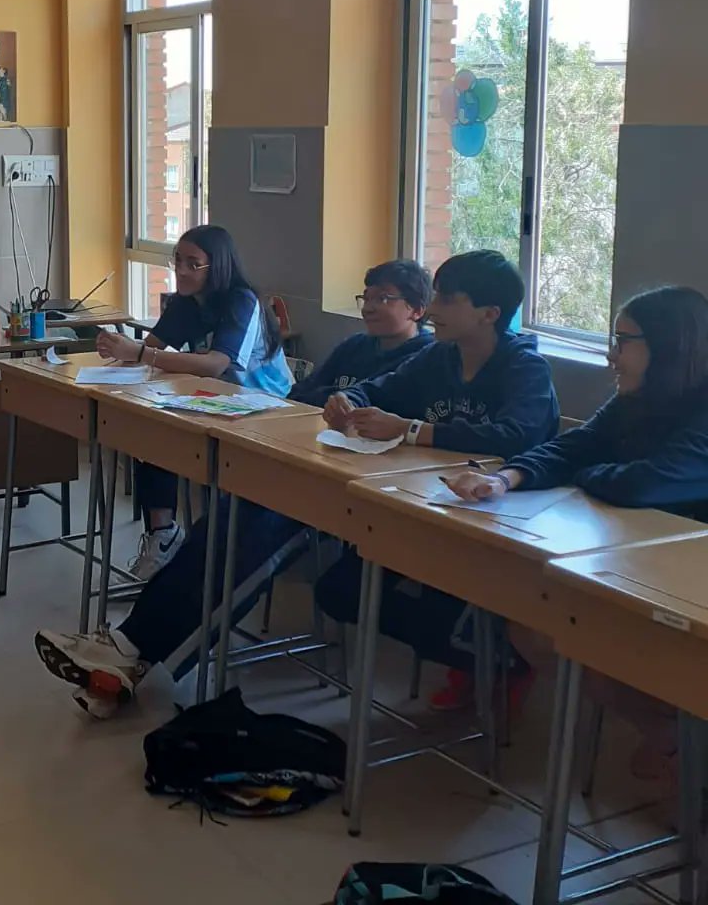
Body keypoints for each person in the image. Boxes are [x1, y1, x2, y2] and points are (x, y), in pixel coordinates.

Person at [444, 286, 708, 771]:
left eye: (622, 341)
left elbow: (647, 483)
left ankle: (682, 747)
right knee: (533, 625)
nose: (611, 355)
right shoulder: (637, 398)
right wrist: (504, 478)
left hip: (690, 586)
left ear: (670, 347)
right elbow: (574, 446)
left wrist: (588, 476)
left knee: (584, 635)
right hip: (639, 563)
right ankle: (668, 736)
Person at [312, 249, 561, 710]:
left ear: (489, 314)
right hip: (430, 500)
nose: (436, 309)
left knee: (440, 604)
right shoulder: (439, 356)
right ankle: (472, 654)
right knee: (340, 591)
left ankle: (497, 658)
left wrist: (411, 430)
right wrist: (346, 398)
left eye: (447, 299)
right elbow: (380, 388)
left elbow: (517, 436)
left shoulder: (525, 366)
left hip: (504, 514)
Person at [94, 225, 292, 579]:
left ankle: (210, 552)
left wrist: (138, 352)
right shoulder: (185, 303)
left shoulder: (241, 301)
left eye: (193, 264)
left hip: (263, 407)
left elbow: (217, 362)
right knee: (151, 429)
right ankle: (163, 534)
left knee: (170, 436)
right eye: (177, 261)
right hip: (215, 402)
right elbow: (152, 347)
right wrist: (118, 348)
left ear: (217, 266)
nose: (181, 271)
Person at [289, 259, 434, 407]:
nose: (367, 309)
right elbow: (298, 394)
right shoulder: (354, 346)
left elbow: (385, 410)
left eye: (382, 298)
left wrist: (330, 396)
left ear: (417, 310)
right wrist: (332, 398)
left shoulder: (427, 356)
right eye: (366, 298)